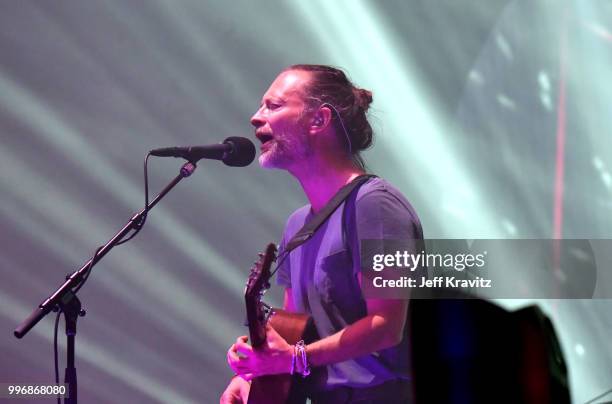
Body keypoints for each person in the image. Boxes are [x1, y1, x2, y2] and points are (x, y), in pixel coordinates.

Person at [221, 64, 423, 403]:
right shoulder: (297, 224)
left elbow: (386, 326)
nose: (256, 117)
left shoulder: (375, 205)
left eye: (274, 106)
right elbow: (291, 326)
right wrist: (254, 370)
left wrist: (295, 358)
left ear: (319, 120)